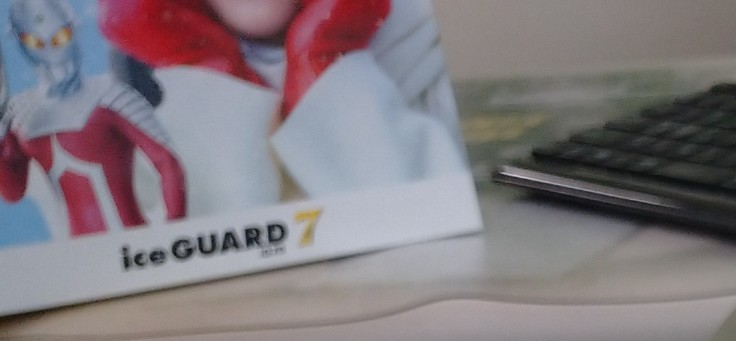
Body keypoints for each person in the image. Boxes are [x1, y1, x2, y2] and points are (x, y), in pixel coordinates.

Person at [99, 0, 463, 216]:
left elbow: (433, 241)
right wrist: (211, 79)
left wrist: (326, 63)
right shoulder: (123, 119)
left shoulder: (439, 49)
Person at [1, 0, 187, 238]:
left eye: (59, 37)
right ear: (21, 42)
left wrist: (174, 237)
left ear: (73, 28)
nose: (52, 51)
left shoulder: (111, 96)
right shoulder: (20, 111)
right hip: (79, 253)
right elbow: (13, 192)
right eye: (36, 42)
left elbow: (168, 163)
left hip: (131, 244)